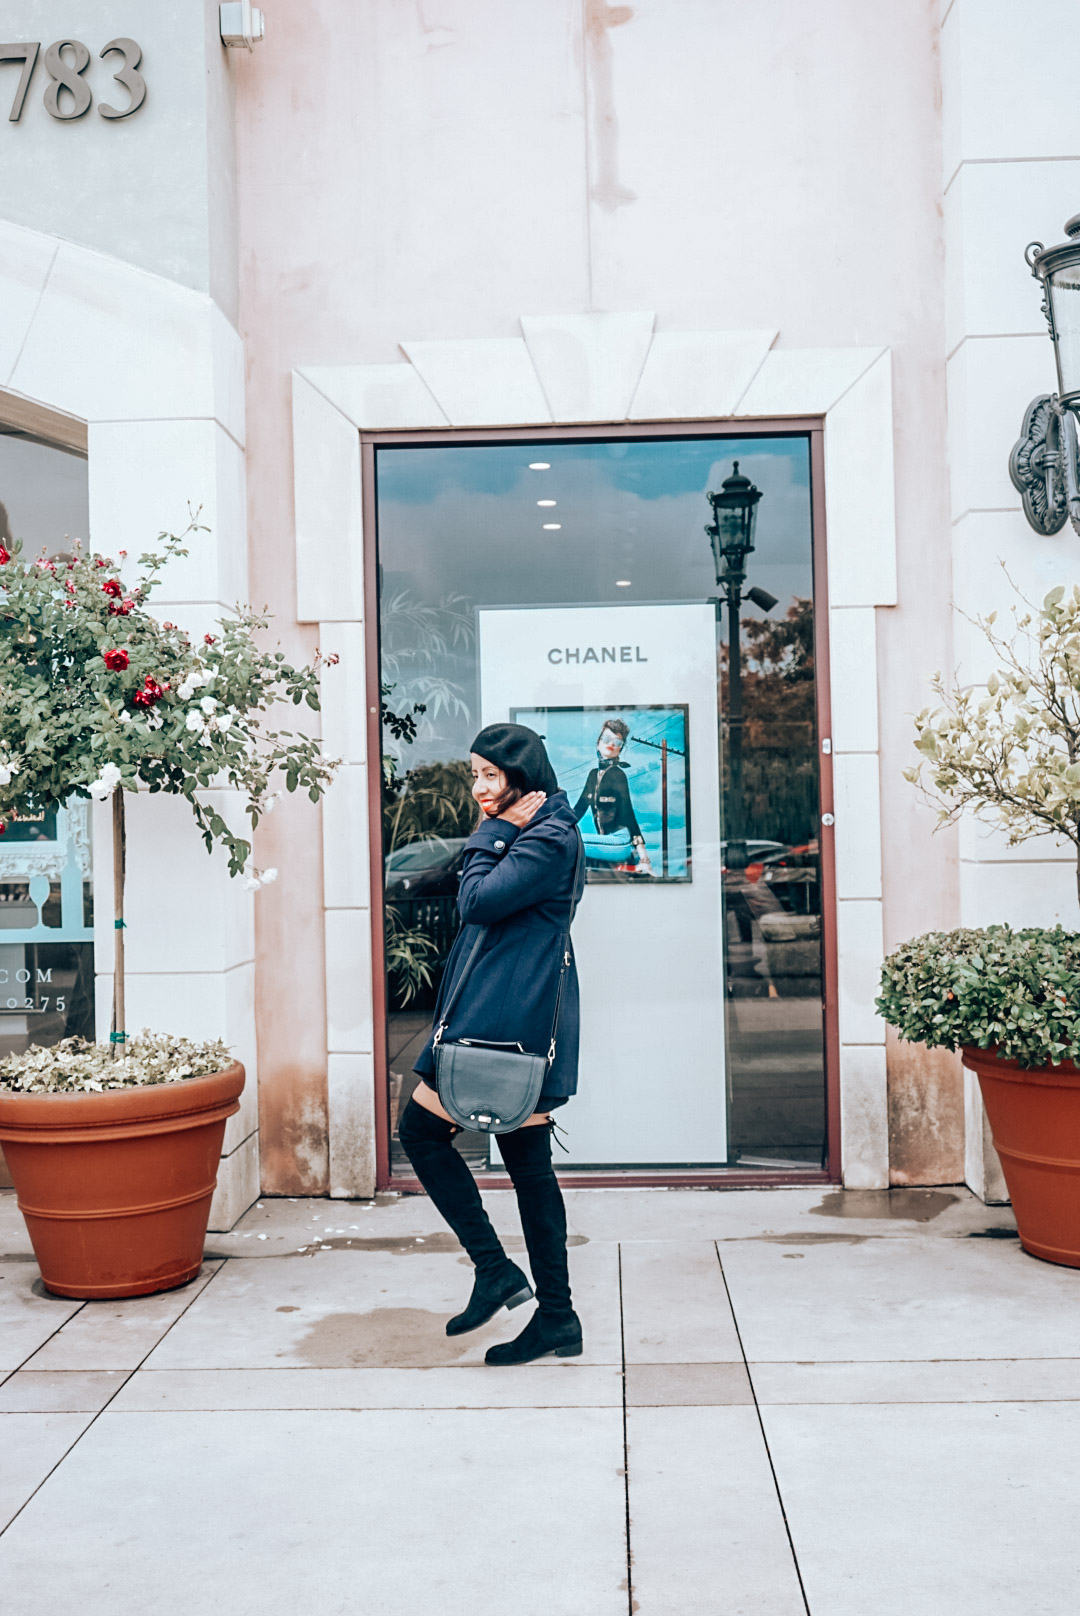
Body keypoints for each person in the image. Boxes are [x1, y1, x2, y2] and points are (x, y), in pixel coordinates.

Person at [397, 722, 585, 1366]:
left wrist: (496, 832)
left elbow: (475, 899)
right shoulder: (539, 829)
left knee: (424, 1135)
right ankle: (551, 1313)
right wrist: (502, 829)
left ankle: (503, 1276)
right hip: (498, 1009)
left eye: (490, 776)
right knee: (528, 1166)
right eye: (473, 775)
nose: (479, 788)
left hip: (504, 1019)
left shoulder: (550, 835)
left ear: (520, 778)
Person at [571, 716, 654, 875]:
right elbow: (579, 809)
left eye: (617, 742)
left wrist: (643, 857)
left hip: (620, 841)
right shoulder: (593, 775)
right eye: (607, 739)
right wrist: (557, 827)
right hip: (606, 842)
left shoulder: (617, 775)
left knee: (571, 842)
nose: (611, 744)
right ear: (598, 742)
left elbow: (628, 813)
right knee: (563, 841)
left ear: (620, 749)